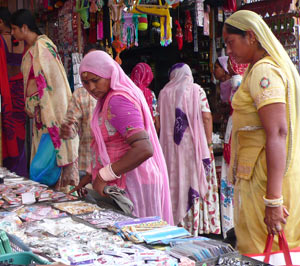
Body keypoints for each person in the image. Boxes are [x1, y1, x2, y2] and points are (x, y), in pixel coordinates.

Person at [223, 10, 300, 253]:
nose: (228, 51)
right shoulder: (258, 69)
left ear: (251, 36)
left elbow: (278, 132)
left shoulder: (264, 72)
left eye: (230, 42)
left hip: (265, 181)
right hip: (264, 178)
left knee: (264, 252)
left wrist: (273, 200)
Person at [70, 50, 173, 224]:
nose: (91, 88)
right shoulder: (108, 99)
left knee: (138, 240)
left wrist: (103, 175)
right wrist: (89, 176)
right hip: (129, 179)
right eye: (86, 83)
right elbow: (111, 144)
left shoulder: (117, 100)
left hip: (134, 182)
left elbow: (144, 148)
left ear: (110, 74)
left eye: (96, 80)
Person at [10, 9, 79, 190]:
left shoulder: (42, 48)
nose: (12, 33)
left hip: (50, 119)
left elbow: (53, 87)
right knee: (44, 172)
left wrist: (49, 114)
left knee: (43, 172)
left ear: (24, 28)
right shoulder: (37, 49)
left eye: (14, 28)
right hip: (43, 120)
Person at [158, 63, 220, 235]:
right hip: (194, 146)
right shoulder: (196, 90)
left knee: (176, 181)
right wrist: (208, 143)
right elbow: (206, 117)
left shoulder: (164, 93)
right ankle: (197, 226)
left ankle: (177, 223)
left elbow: (158, 122)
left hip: (170, 149)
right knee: (194, 178)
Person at [60, 43, 100, 181]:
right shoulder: (80, 94)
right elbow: (72, 123)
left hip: (113, 167)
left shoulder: (116, 92)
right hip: (86, 163)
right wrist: (68, 129)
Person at [0, 7, 27, 177]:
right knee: (19, 135)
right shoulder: (21, 41)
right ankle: (20, 174)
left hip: (9, 92)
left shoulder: (2, 39)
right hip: (19, 92)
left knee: (9, 134)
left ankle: (11, 176)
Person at [130, 62, 160, 133]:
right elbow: (156, 123)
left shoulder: (127, 92)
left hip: (131, 133)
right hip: (147, 133)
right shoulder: (150, 94)